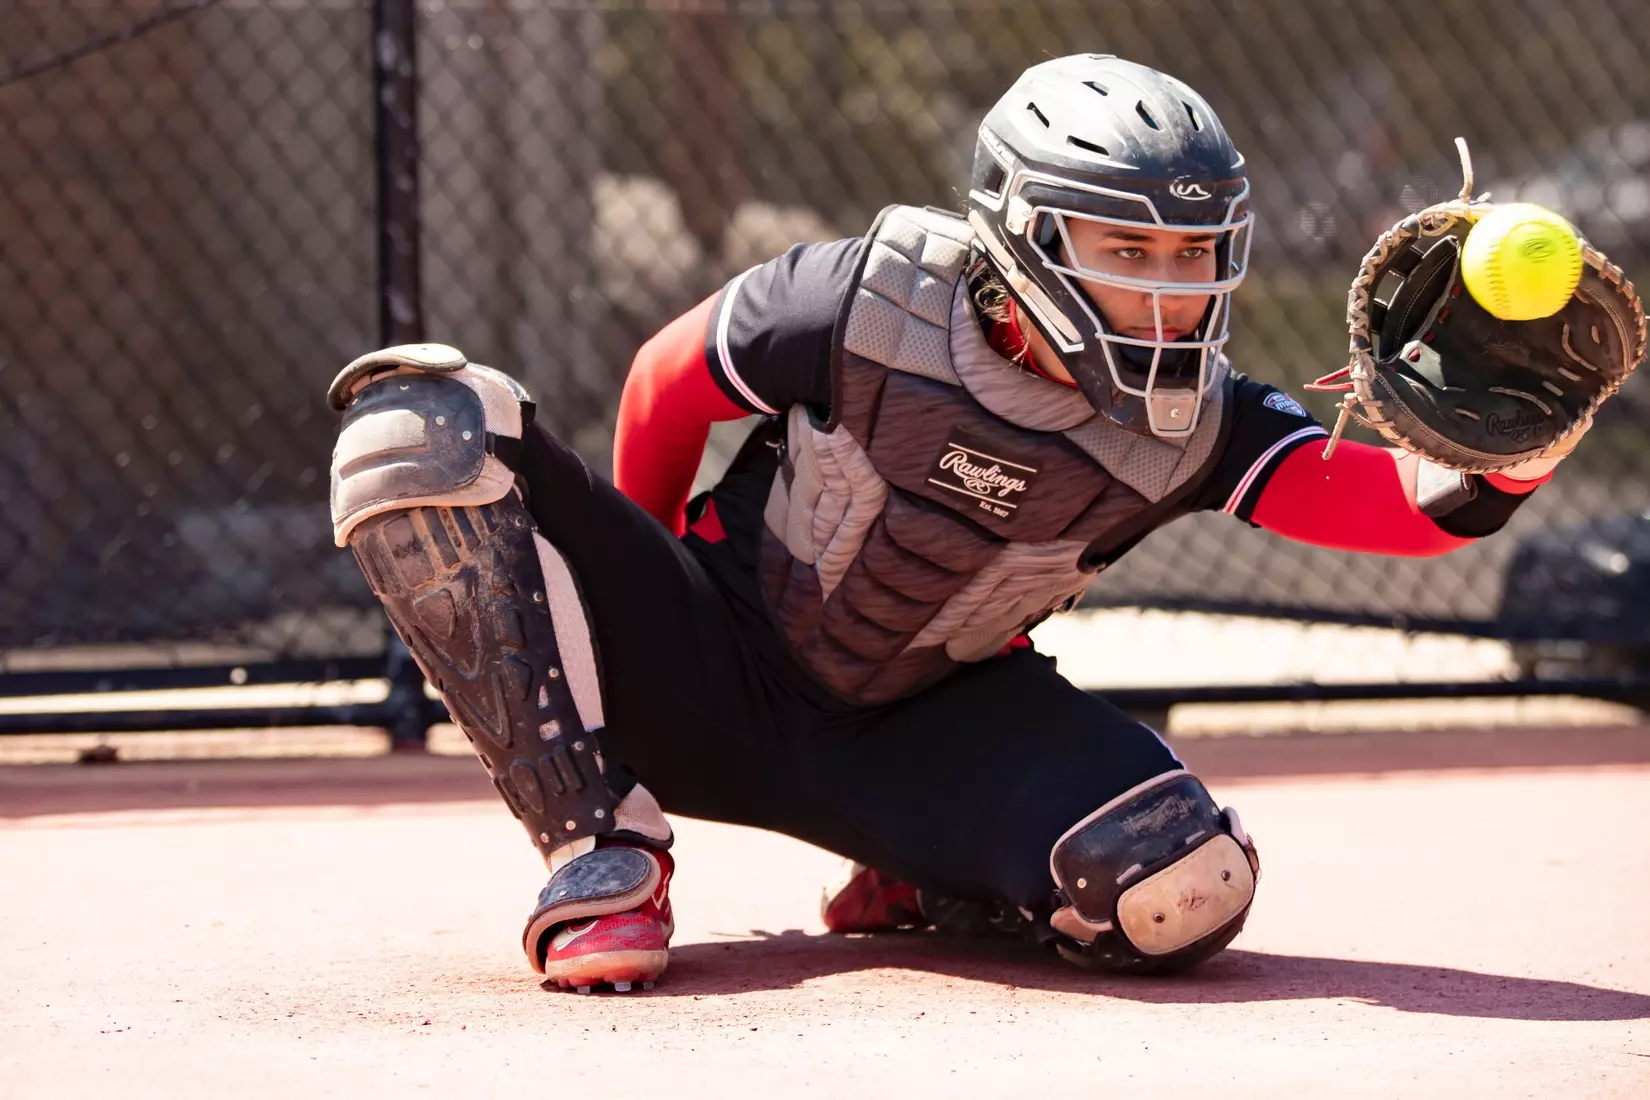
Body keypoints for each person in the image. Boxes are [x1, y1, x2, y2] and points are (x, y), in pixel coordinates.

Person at [325, 55, 1575, 992]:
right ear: (1026, 232)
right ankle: (602, 848)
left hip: (918, 732)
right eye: (1129, 247)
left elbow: (1408, 512)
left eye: (1193, 255)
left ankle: (931, 867)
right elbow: (665, 384)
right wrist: (633, 612)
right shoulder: (862, 297)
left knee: (1180, 885)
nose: (1171, 290)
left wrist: (1519, 442)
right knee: (420, 424)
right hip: (714, 664)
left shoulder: (1201, 420)